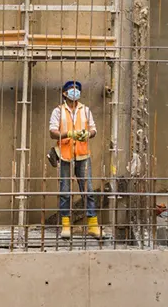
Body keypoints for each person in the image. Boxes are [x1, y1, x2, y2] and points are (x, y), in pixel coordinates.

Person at [48, 80, 99, 239]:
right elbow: (52, 132)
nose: (75, 92)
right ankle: (65, 225)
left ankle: (93, 225)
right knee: (65, 190)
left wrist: (87, 134)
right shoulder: (58, 111)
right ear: (65, 93)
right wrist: (68, 134)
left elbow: (93, 129)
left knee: (88, 190)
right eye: (72, 89)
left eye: (77, 89)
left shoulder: (86, 110)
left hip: (83, 155)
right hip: (65, 155)